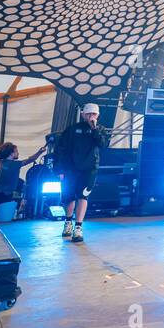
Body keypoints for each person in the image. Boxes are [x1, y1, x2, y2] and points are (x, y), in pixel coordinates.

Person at [55, 102, 110, 242]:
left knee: (83, 196)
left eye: (94, 114)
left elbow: (103, 144)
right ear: (83, 114)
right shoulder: (72, 130)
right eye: (89, 114)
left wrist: (95, 129)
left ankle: (78, 227)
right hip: (71, 169)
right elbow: (61, 150)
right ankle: (68, 222)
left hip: (90, 169)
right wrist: (60, 169)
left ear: (98, 115)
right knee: (69, 197)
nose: (91, 116)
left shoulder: (101, 129)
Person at [0, 140, 48, 223]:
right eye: (16, 151)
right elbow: (31, 159)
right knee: (4, 219)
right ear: (11, 153)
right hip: (4, 194)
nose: (18, 153)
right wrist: (39, 152)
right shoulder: (15, 164)